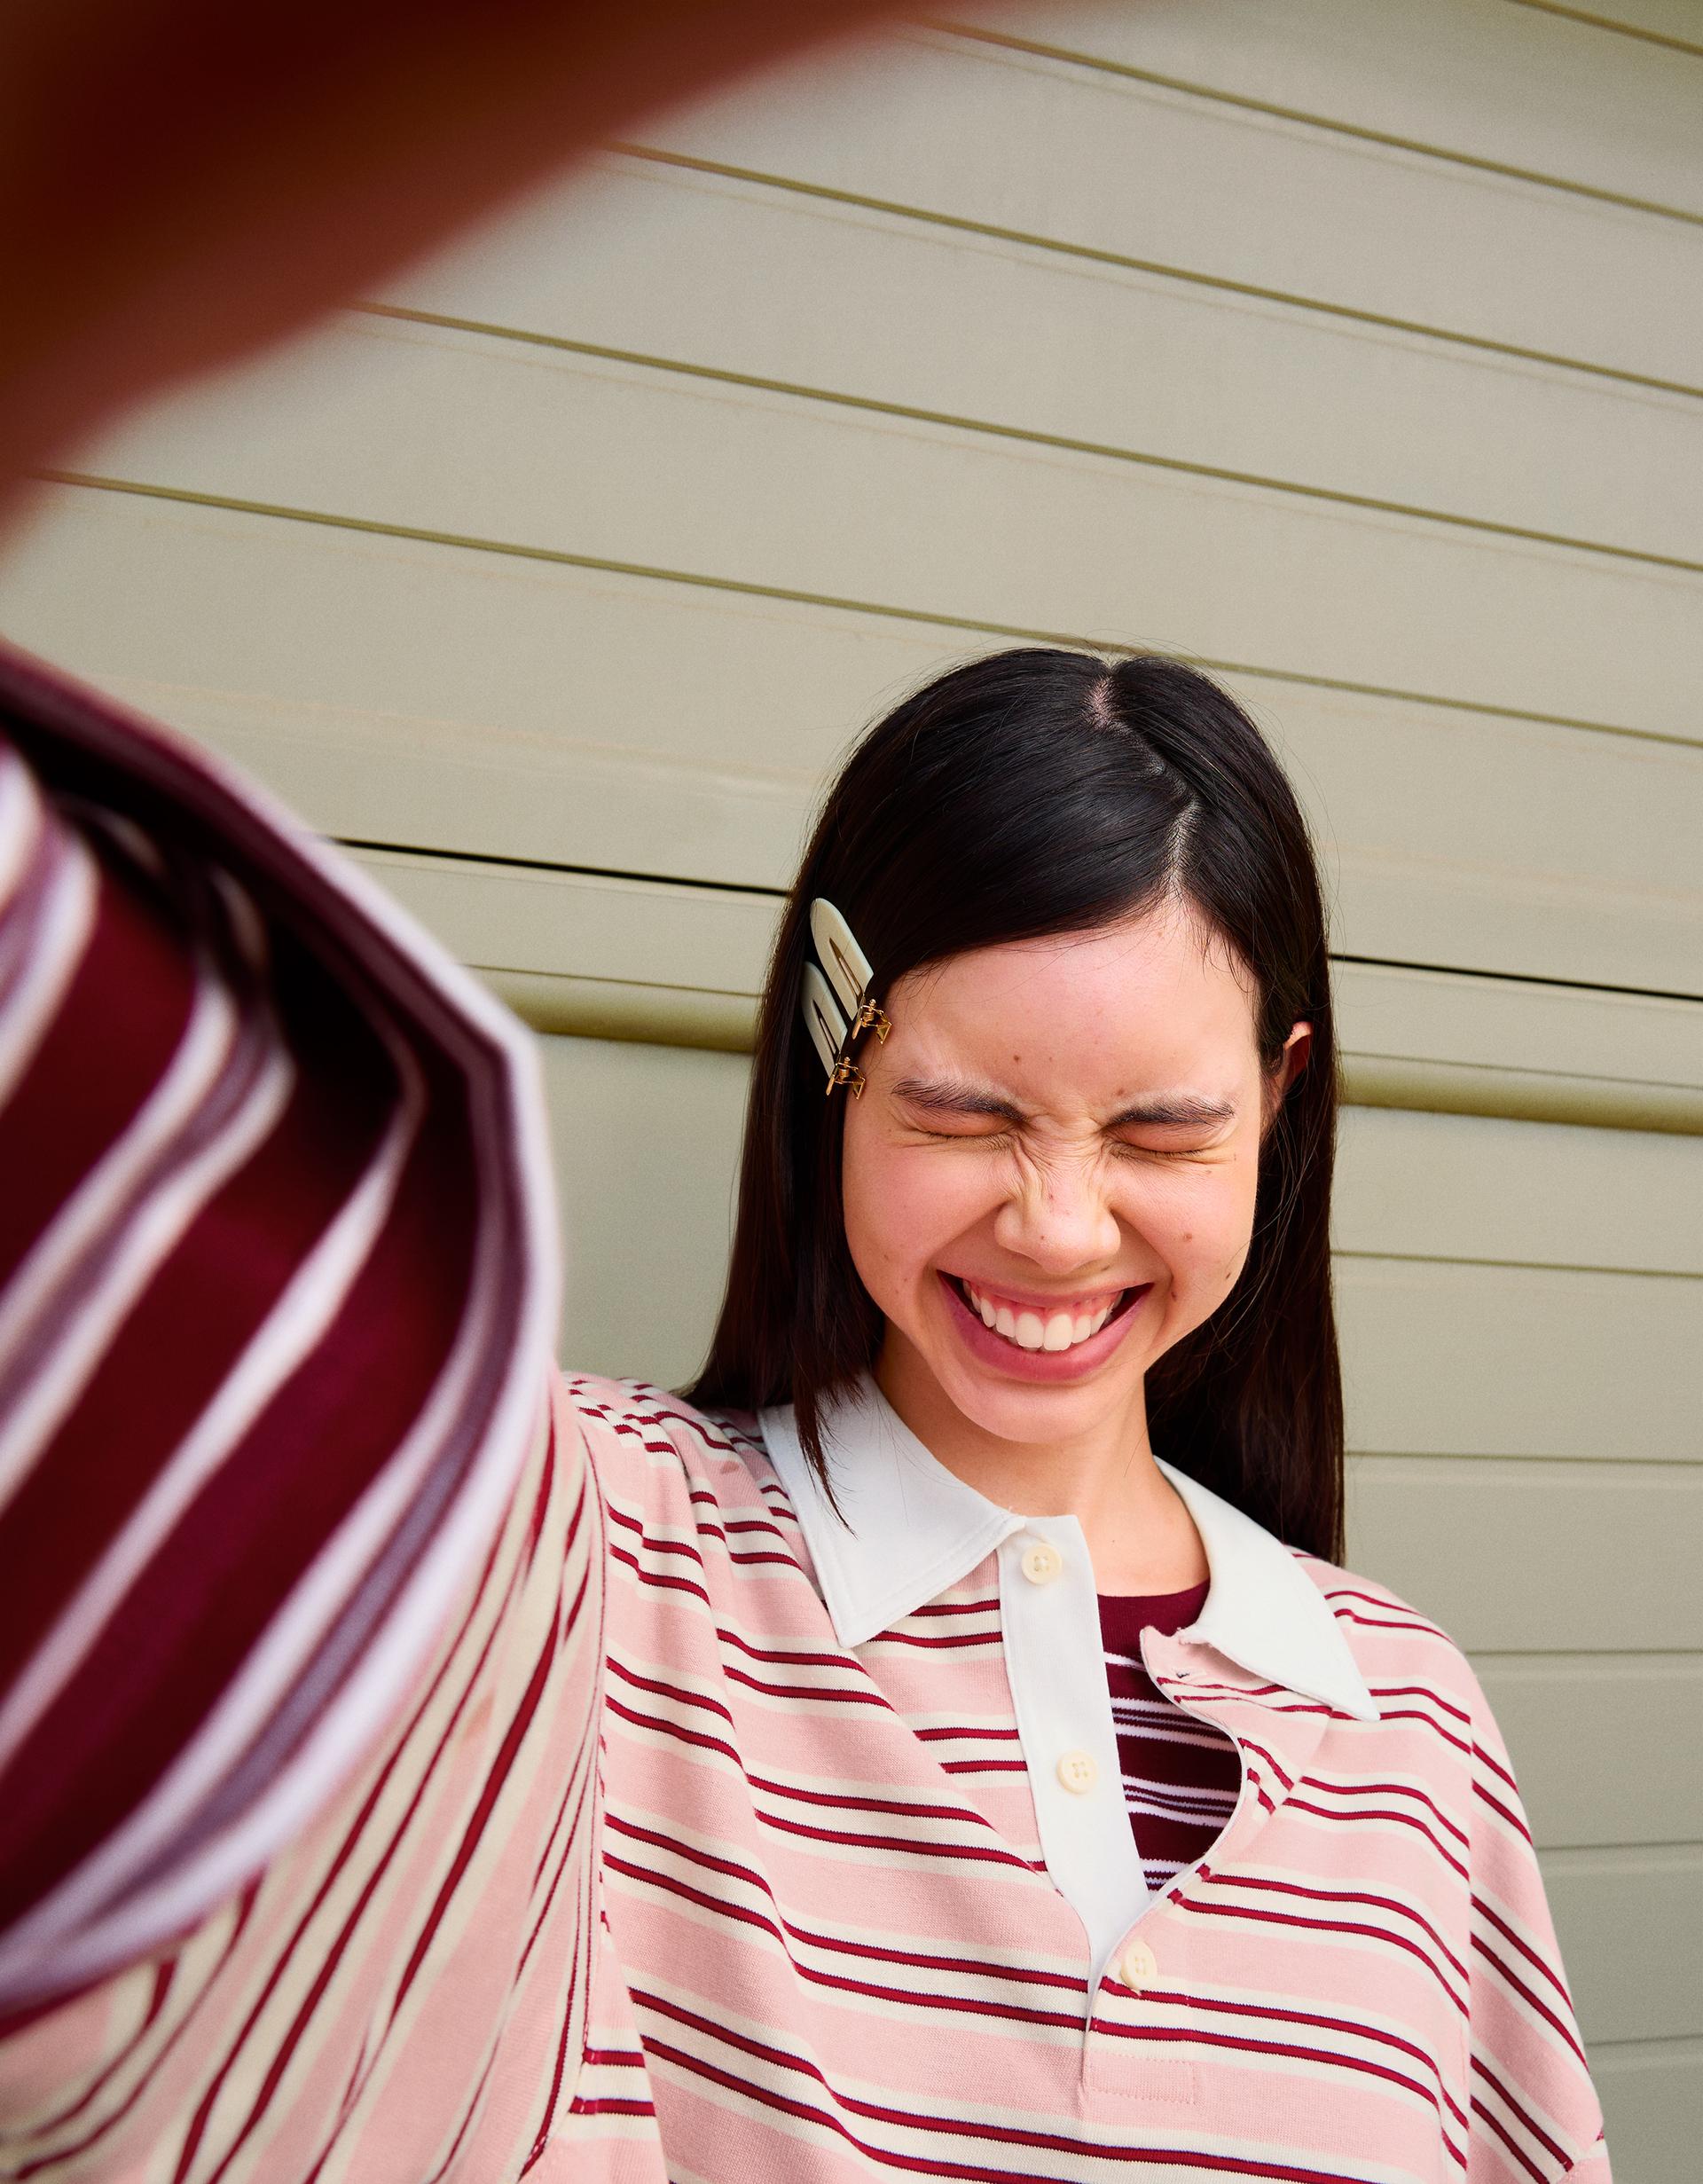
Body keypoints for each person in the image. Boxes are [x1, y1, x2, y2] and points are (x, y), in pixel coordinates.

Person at [0, 640, 1609, 2180]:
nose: (1057, 1223)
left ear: (1280, 1097)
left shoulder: (1412, 1721)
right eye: (964, 1114)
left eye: (1162, 1135)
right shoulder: (581, 1548)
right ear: (832, 1063)